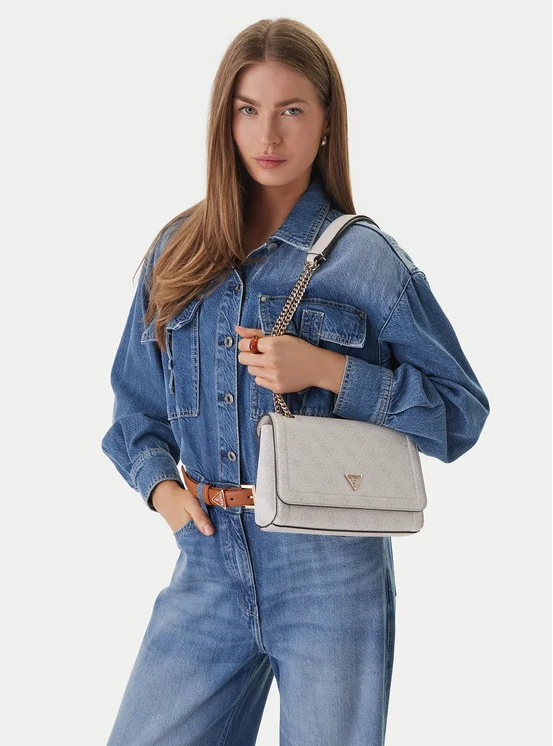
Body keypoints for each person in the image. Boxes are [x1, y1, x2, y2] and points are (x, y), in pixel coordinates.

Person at [101, 17, 490, 746]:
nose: (268, 134)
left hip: (330, 574)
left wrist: (330, 372)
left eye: (291, 110)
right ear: (225, 120)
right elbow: (135, 405)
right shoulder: (179, 252)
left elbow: (461, 415)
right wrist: (163, 494)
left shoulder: (365, 262)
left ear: (326, 122)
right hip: (207, 560)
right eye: (248, 109)